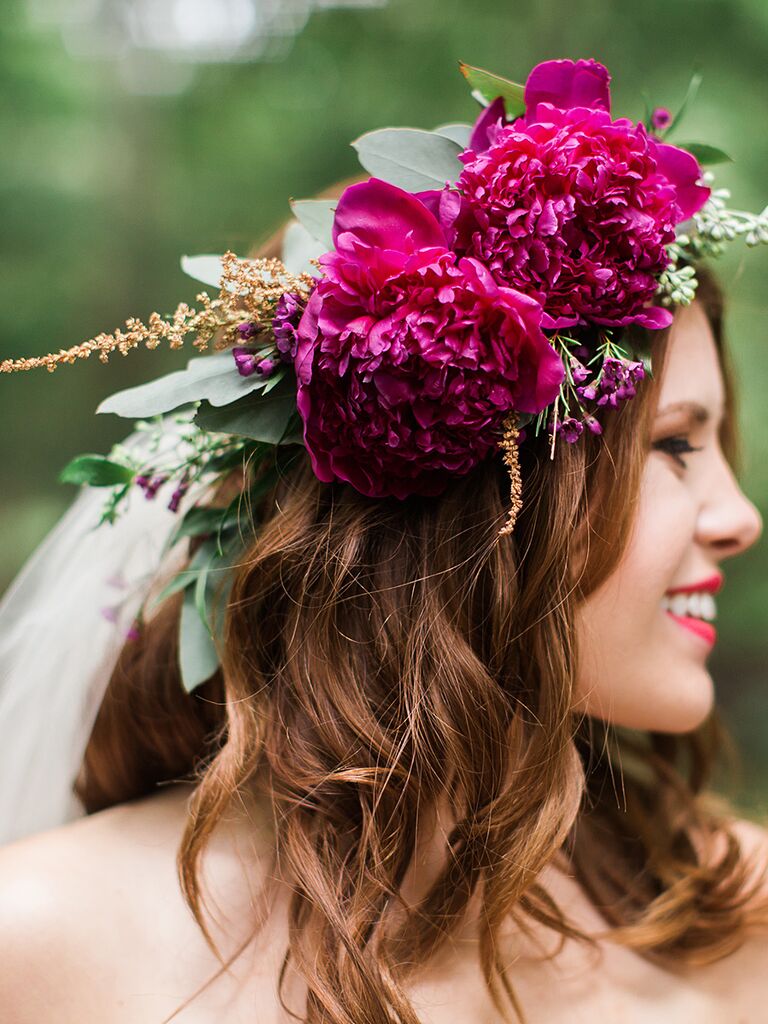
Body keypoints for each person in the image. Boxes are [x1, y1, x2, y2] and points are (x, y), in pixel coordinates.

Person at [1, 57, 768, 1023]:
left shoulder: (733, 909)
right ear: (467, 492)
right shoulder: (45, 942)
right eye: (676, 445)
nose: (741, 516)